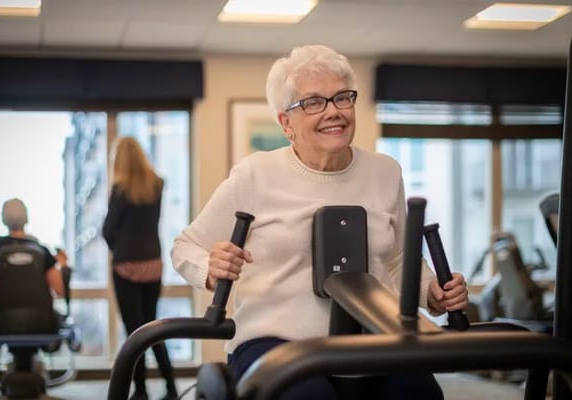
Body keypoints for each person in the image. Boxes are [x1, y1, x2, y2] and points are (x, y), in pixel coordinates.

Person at [172, 45, 468, 400]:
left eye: (342, 98)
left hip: (373, 338)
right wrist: (210, 266)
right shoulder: (255, 175)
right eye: (313, 102)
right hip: (275, 342)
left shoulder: (385, 172)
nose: (334, 112)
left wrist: (432, 293)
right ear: (286, 123)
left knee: (419, 393)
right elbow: (185, 247)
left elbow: (398, 259)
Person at [102, 136, 178, 400]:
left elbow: (107, 230)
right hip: (153, 263)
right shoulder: (157, 184)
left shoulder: (120, 189)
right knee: (153, 328)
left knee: (134, 332)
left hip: (126, 264)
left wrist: (120, 247)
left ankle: (141, 391)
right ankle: (171, 387)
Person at [0, 198, 65, 297]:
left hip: (2, 310)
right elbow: (58, 289)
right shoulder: (41, 250)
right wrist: (60, 265)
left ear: (4, 220)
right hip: (38, 311)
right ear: (26, 219)